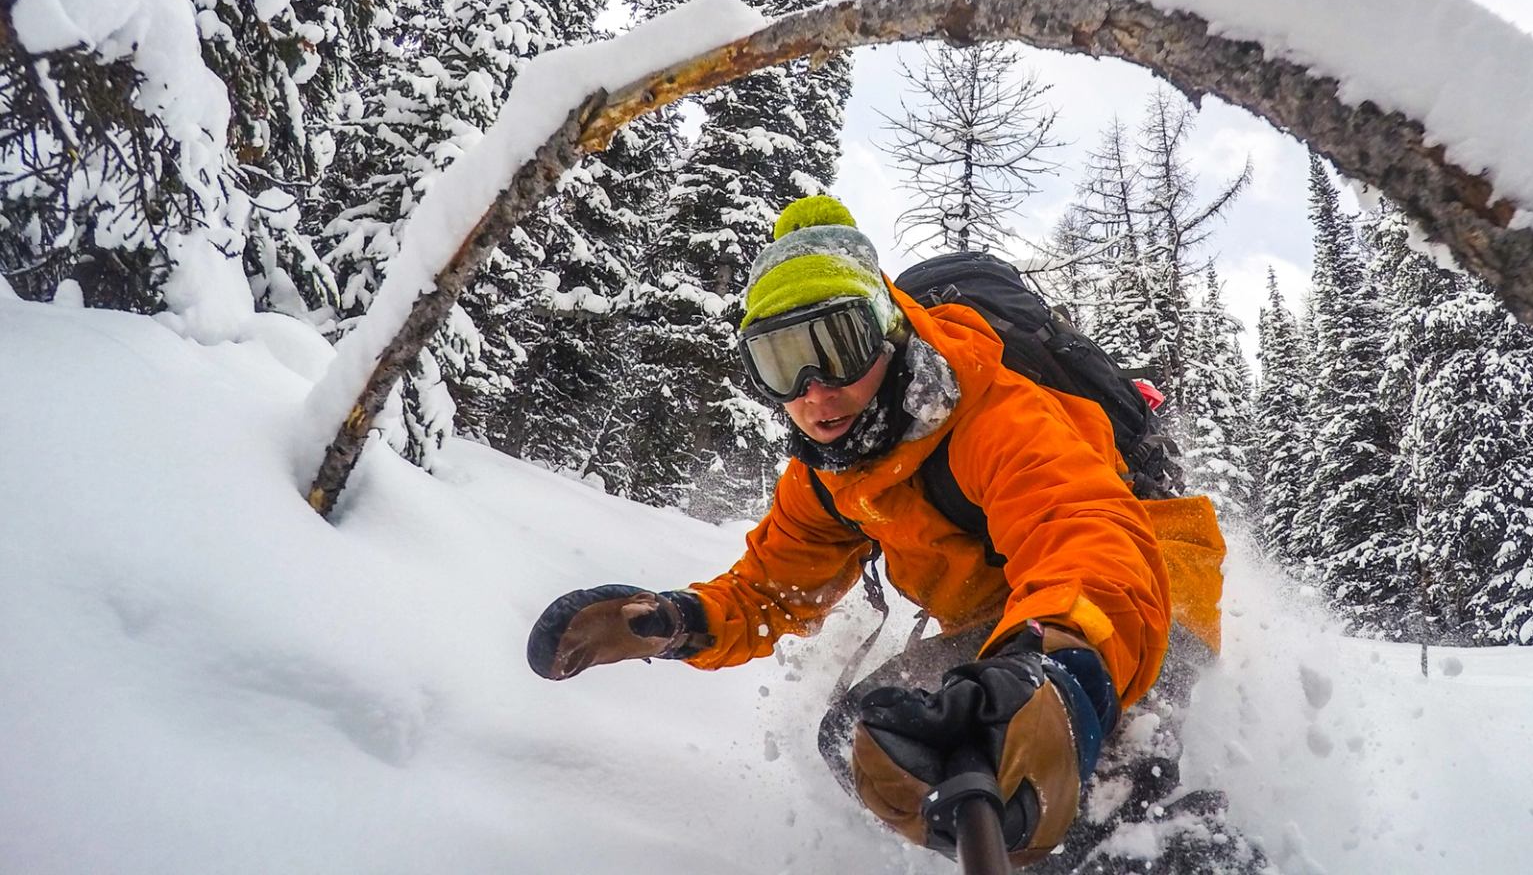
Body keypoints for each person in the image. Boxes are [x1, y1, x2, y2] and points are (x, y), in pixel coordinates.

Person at [524, 197, 1263, 873]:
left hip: (1132, 599)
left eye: (837, 345)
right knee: (869, 740)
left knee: (1101, 797)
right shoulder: (827, 475)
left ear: (886, 327)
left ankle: (1172, 852)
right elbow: (771, 589)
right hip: (1007, 633)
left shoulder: (993, 412)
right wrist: (681, 622)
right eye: (782, 363)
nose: (816, 391)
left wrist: (1057, 663)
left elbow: (1082, 532)